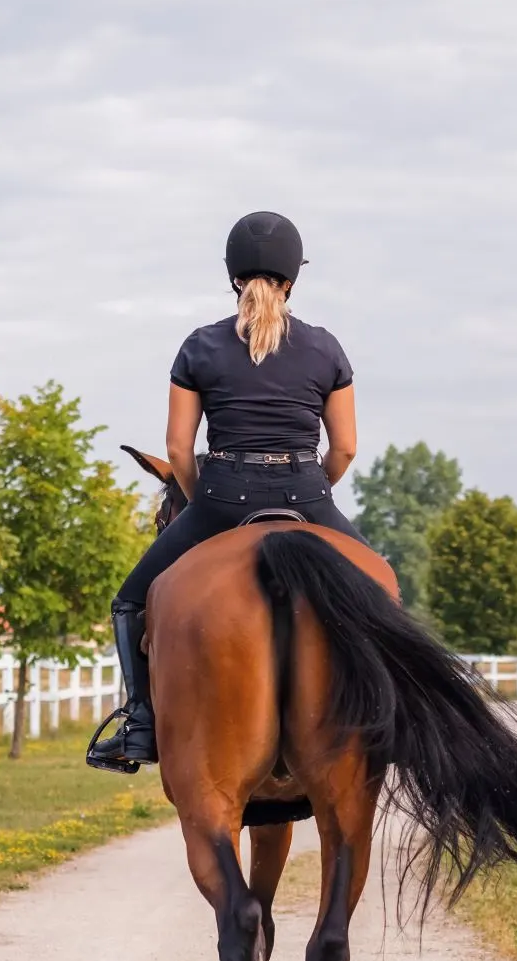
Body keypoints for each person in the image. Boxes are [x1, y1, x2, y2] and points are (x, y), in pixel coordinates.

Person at [93, 211, 364, 767]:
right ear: (293, 276)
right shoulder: (325, 348)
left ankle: (141, 723)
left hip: (221, 495)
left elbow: (176, 450)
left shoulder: (200, 346)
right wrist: (312, 490)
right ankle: (392, 716)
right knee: (382, 589)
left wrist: (202, 502)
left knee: (128, 601)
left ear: (233, 275)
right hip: (307, 493)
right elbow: (345, 449)